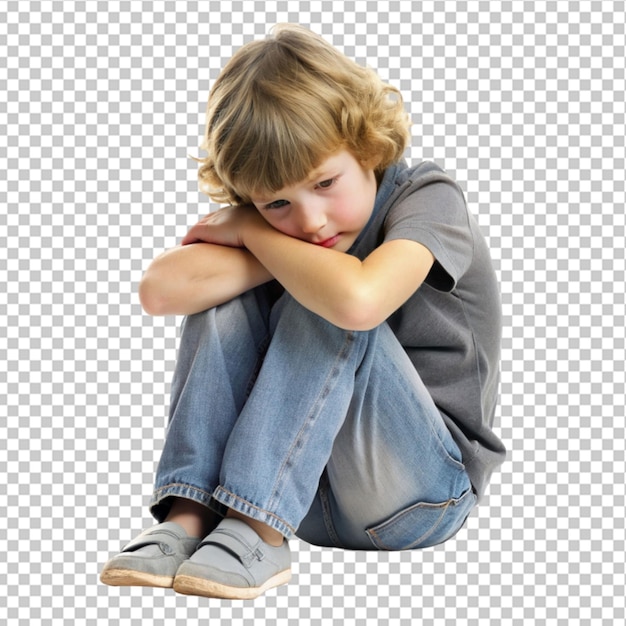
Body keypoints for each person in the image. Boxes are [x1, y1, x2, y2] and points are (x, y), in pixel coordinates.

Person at [100, 23, 506, 600]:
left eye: (325, 182)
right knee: (227, 292)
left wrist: (249, 230)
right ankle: (188, 515)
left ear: (366, 144)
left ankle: (258, 529)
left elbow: (358, 300)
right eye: (278, 202)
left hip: (422, 490)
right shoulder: (276, 227)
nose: (311, 221)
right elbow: (161, 292)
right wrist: (254, 230)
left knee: (335, 297)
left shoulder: (428, 198)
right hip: (305, 500)